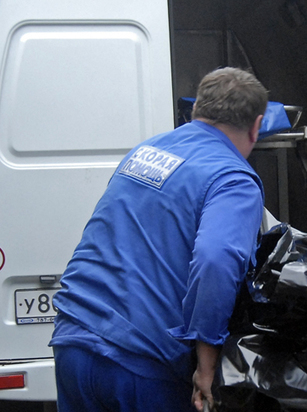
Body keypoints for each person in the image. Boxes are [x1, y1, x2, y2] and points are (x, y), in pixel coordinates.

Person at [50, 67, 268, 412]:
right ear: (257, 126)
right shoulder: (233, 178)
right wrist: (207, 364)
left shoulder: (146, 151)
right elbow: (215, 260)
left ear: (196, 110)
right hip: (142, 364)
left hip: (74, 340)